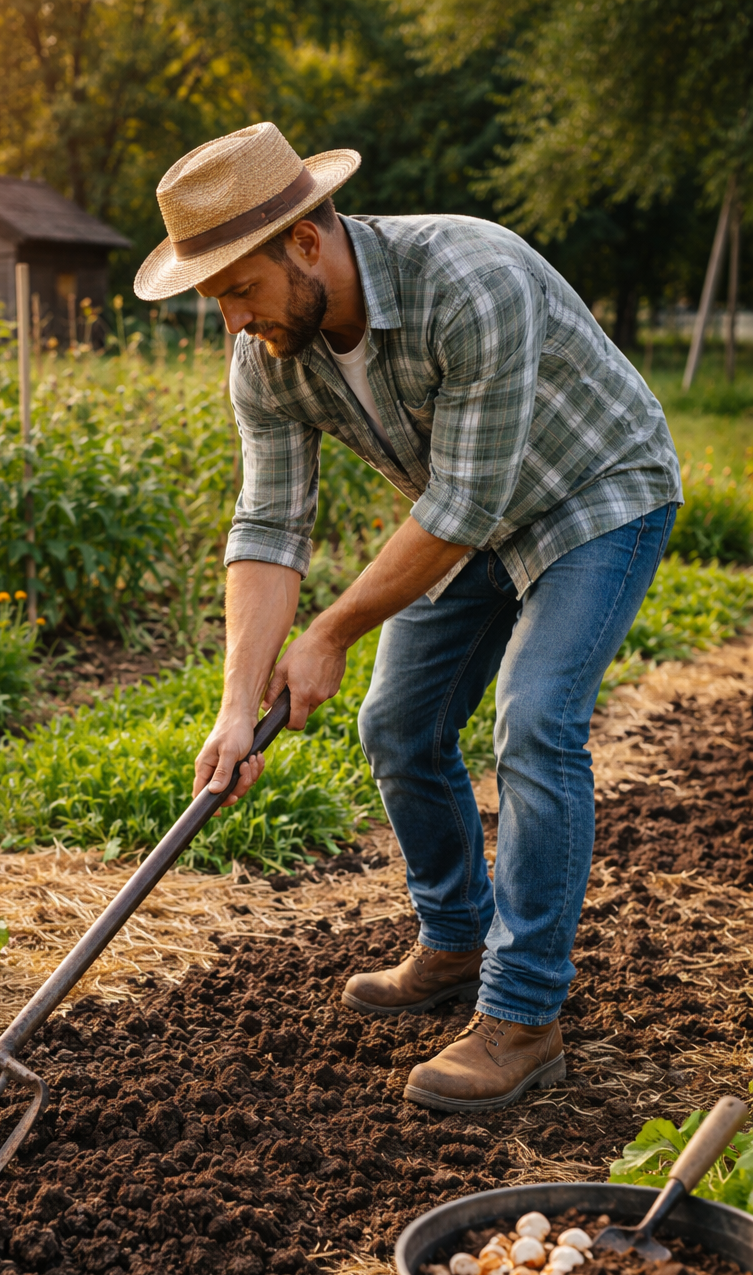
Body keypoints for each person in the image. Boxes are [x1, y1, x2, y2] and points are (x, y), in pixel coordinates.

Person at [134, 122, 681, 1112]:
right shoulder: (267, 356)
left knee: (535, 719)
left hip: (593, 495)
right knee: (394, 726)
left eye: (238, 289)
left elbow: (465, 508)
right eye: (214, 299)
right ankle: (456, 939)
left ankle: (522, 1015)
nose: (229, 320)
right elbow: (267, 526)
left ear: (305, 241)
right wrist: (233, 703)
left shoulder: (468, 276)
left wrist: (330, 632)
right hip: (467, 519)